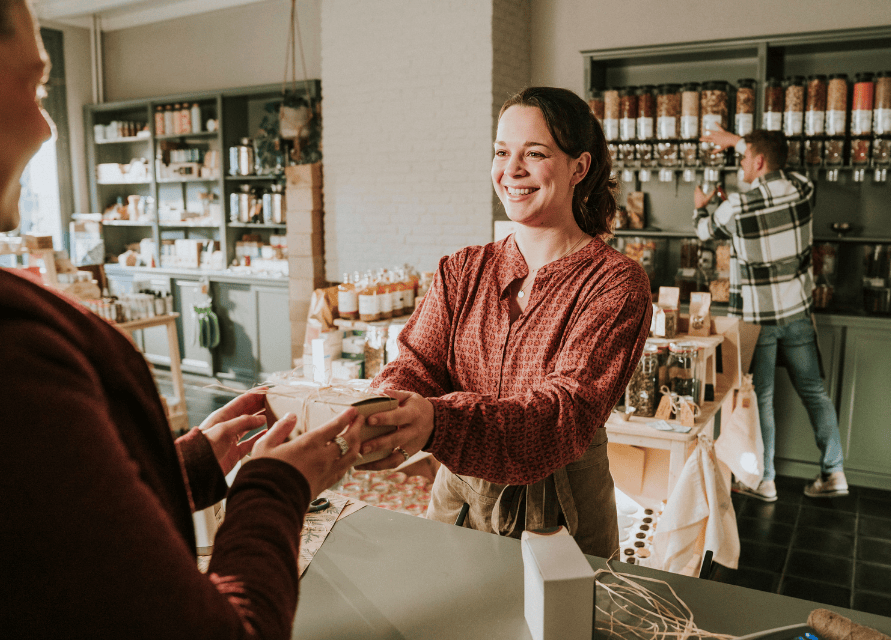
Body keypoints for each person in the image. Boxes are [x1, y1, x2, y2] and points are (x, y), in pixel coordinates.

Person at [1, 1, 364, 636]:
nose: (47, 128)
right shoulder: (15, 352)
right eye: (33, 86)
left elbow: (56, 531)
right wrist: (274, 487)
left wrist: (190, 464)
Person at [355, 87, 652, 557]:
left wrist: (437, 423)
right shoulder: (462, 269)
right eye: (501, 152)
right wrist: (382, 408)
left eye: (534, 153)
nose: (511, 170)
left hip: (565, 516)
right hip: (459, 499)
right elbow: (416, 364)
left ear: (580, 168)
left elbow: (561, 415)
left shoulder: (615, 283)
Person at [693, 125, 848, 503]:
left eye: (744, 158)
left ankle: (765, 481)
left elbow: (703, 232)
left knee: (761, 397)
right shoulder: (802, 189)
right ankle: (835, 473)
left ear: (759, 161)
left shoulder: (738, 205)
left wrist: (700, 206)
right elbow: (779, 171)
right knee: (815, 393)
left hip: (757, 320)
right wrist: (737, 140)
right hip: (797, 312)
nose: (741, 163)